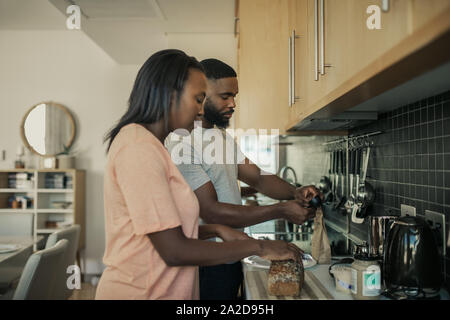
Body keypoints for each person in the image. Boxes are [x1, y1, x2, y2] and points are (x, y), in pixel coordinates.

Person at [95, 49, 303, 300]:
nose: (201, 110)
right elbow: (174, 250)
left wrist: (215, 230)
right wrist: (258, 246)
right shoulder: (139, 149)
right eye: (197, 99)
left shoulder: (151, 146)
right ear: (170, 95)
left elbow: (163, 230)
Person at [165, 58, 321, 300]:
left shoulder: (221, 137)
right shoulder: (181, 142)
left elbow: (257, 177)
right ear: (201, 94)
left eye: (235, 96)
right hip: (206, 260)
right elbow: (211, 211)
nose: (233, 103)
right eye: (225, 96)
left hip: (231, 252)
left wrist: (295, 193)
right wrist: (281, 210)